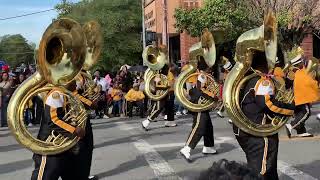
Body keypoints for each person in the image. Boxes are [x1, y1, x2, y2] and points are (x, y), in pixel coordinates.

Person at [234, 51, 295, 180]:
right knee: (261, 171)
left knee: (267, 169)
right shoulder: (262, 81)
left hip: (246, 129)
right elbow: (267, 104)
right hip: (260, 132)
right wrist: (290, 108)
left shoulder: (247, 79)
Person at [31, 83, 86, 180]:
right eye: (74, 80)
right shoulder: (56, 94)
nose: (76, 83)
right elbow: (53, 120)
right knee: (47, 175)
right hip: (51, 145)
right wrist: (75, 130)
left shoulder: (66, 95)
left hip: (64, 145)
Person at [180, 74, 218, 162]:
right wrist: (213, 97)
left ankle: (208, 147)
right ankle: (187, 148)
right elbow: (200, 95)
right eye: (200, 83)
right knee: (199, 127)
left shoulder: (202, 84)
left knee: (208, 127)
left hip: (203, 109)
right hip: (199, 110)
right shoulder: (196, 90)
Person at [285, 51, 320, 138]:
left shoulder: (299, 72)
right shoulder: (304, 73)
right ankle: (291, 125)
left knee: (300, 112)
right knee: (306, 112)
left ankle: (301, 131)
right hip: (302, 95)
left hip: (299, 95)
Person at [141, 64, 177, 130]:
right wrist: (167, 86)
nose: (168, 70)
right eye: (167, 69)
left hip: (167, 93)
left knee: (169, 107)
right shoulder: (158, 75)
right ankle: (146, 122)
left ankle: (169, 121)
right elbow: (156, 85)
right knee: (158, 108)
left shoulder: (167, 74)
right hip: (160, 94)